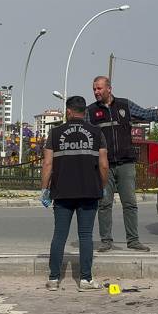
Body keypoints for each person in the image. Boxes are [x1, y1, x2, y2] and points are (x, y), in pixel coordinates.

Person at [86, 76, 158, 253]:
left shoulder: (125, 105)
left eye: (99, 89)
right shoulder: (90, 112)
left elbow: (148, 114)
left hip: (126, 164)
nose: (96, 92)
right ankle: (106, 241)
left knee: (130, 203)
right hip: (104, 166)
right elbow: (84, 136)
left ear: (109, 88)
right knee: (104, 204)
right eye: (94, 89)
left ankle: (133, 241)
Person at [41, 96, 109, 291]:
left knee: (59, 235)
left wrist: (45, 189)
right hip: (89, 191)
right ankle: (85, 280)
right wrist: (102, 185)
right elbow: (104, 165)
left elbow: (47, 164)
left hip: (62, 192)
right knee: (86, 235)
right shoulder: (97, 133)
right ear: (85, 112)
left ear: (68, 112)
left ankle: (54, 279)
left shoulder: (55, 133)